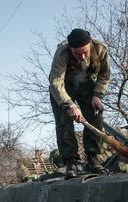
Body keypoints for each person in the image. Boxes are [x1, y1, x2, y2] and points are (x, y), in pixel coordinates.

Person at [49, 28, 110, 179]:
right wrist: (69, 104)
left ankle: (93, 156)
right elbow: (55, 83)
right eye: (77, 54)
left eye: (85, 52)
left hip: (87, 85)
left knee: (95, 115)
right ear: (70, 48)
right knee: (64, 121)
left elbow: (104, 75)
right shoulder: (62, 53)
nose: (82, 57)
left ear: (90, 45)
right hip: (63, 88)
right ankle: (71, 160)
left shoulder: (100, 49)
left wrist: (97, 95)